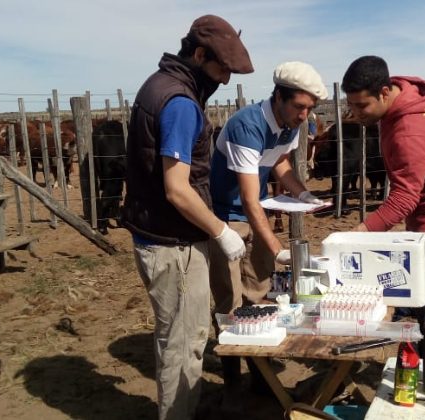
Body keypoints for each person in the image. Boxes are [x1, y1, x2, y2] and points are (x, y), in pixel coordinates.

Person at [121, 15, 252, 420]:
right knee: (183, 344)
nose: (226, 80)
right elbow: (177, 188)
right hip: (173, 246)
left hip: (158, 235)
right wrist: (221, 231)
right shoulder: (180, 103)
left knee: (177, 337)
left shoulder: (159, 85)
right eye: (222, 68)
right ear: (198, 55)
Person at [208, 61, 328, 400]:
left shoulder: (289, 124)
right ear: (279, 97)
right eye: (300, 107)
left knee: (259, 292)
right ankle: (232, 375)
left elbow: (280, 163)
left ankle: (260, 369)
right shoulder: (247, 126)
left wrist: (301, 193)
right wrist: (277, 249)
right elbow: (247, 199)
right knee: (230, 300)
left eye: (310, 109)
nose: (305, 116)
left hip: (257, 211)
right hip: (226, 217)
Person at [341, 55, 425, 353]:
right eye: (351, 105)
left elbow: (404, 197)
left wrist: (362, 233)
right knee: (420, 292)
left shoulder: (409, 130)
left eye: (362, 106)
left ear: (385, 92)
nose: (355, 114)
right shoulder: (406, 96)